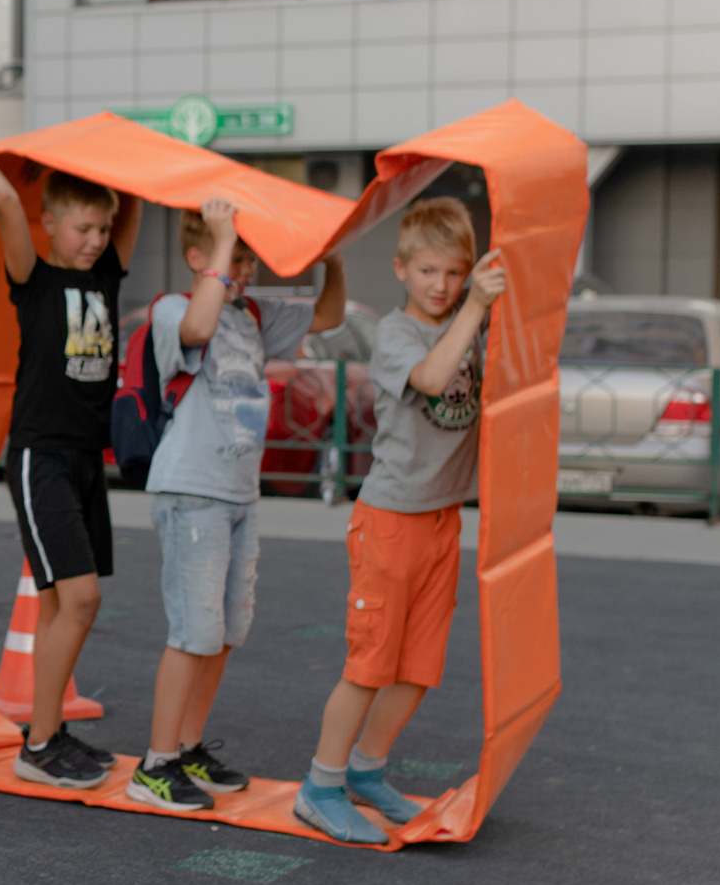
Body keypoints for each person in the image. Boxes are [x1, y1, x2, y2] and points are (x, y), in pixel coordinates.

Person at [295, 198, 505, 845]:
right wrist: (475, 305)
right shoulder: (397, 333)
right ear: (401, 270)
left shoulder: (469, 322)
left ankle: (365, 769)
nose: (441, 285)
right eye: (429, 271)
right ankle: (319, 785)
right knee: (369, 665)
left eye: (454, 273)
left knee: (418, 667)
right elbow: (437, 380)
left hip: (442, 518)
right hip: (389, 520)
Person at [130, 200, 344, 810]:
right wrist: (222, 240)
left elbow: (327, 315)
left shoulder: (250, 314)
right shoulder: (177, 309)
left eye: (248, 258)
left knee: (223, 632)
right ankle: (156, 763)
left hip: (239, 494)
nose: (244, 270)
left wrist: (332, 259)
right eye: (233, 256)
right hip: (192, 490)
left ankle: (189, 747)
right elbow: (197, 330)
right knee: (193, 632)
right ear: (200, 257)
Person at [0, 159, 144, 790]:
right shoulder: (36, 280)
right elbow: (4, 205)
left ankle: (45, 735)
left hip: (83, 461)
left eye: (102, 228)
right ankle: (40, 742)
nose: (96, 239)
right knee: (81, 599)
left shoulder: (105, 276)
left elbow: (135, 203)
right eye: (82, 228)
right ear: (50, 225)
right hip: (39, 456)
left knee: (55, 604)